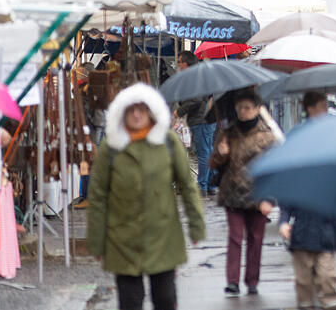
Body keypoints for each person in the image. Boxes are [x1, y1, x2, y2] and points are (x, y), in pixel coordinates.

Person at [87, 84, 205, 310]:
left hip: (163, 237)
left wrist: (196, 225)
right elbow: (98, 195)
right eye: (131, 109)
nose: (137, 114)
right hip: (123, 240)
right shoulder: (112, 147)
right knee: (130, 303)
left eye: (142, 109)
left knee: (165, 300)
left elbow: (188, 186)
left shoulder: (168, 142)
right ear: (122, 112)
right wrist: (97, 241)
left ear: (151, 111)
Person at [209, 89, 279, 296]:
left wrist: (269, 199)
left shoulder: (267, 137)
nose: (243, 112)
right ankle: (232, 281)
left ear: (257, 109)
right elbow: (214, 165)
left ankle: (252, 280)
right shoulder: (228, 133)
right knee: (235, 238)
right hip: (233, 194)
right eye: (239, 108)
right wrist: (221, 155)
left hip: (258, 196)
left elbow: (274, 171)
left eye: (247, 108)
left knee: (256, 240)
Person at [280, 92, 336, 310]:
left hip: (323, 226)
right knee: (303, 281)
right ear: (310, 108)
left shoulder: (329, 135)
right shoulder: (300, 137)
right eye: (321, 107)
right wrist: (283, 220)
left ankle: (328, 303)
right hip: (303, 229)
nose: (325, 111)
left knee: (327, 278)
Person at [174, 51, 217, 195]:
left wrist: (180, 111)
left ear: (186, 63)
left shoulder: (197, 76)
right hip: (206, 118)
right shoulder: (198, 74)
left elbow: (196, 99)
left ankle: (203, 186)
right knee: (208, 151)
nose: (178, 64)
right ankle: (210, 184)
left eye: (180, 61)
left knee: (204, 152)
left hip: (202, 118)